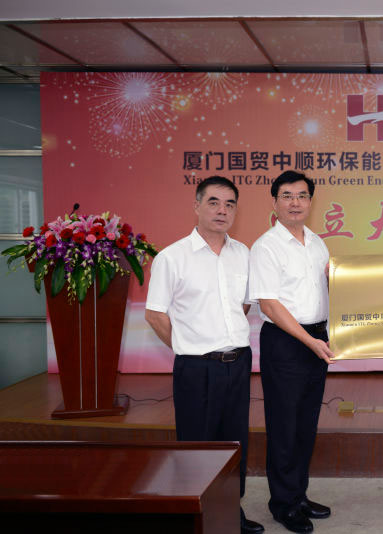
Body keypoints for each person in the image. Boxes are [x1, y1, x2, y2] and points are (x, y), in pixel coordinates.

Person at [144, 176, 264, 534]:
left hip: (238, 363)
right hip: (196, 367)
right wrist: (188, 346)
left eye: (229, 204)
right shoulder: (172, 257)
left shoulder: (243, 254)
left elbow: (243, 305)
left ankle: (230, 511)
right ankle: (197, 516)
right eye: (213, 202)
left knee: (235, 442)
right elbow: (155, 314)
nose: (222, 210)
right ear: (196, 206)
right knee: (197, 445)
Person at [249, 171, 334, 534]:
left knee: (305, 423)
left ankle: (299, 495)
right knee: (284, 426)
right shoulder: (266, 246)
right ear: (275, 202)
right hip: (286, 342)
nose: (295, 203)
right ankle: (283, 504)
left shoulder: (317, 243)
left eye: (302, 196)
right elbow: (269, 304)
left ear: (311, 201)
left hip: (317, 338)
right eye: (287, 196)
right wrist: (308, 340)